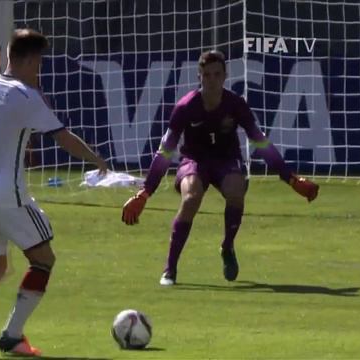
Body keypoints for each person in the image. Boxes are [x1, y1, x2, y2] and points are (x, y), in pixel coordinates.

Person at [0, 28, 108, 359]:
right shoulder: (25, 96)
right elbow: (63, 137)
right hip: (7, 193)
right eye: (38, 62)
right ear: (28, 59)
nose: (39, 69)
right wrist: (96, 159)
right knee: (43, 259)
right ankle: (12, 335)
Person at [121, 50, 319, 286]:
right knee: (191, 198)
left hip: (227, 159)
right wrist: (145, 191)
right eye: (206, 75)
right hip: (194, 160)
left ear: (225, 76)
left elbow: (261, 142)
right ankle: (170, 269)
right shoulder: (185, 107)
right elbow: (165, 151)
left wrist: (291, 178)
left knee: (236, 192)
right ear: (199, 77)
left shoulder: (236, 104)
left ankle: (227, 246)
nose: (212, 80)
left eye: (217, 74)